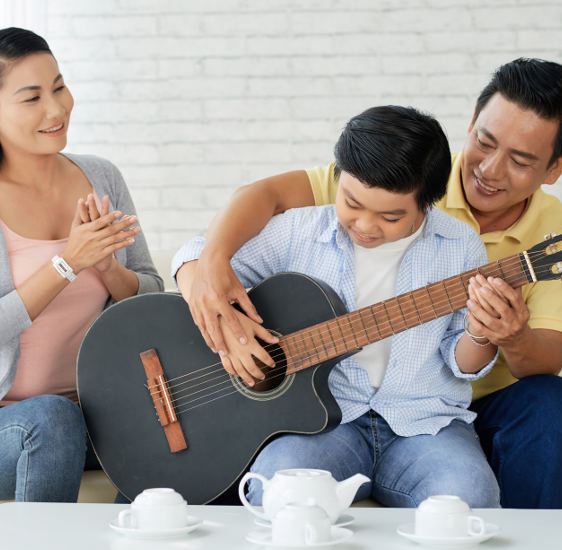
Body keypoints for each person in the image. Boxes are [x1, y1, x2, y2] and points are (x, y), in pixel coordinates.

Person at [182, 58, 562, 509]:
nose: (491, 170)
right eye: (485, 142)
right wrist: (209, 279)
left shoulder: (469, 241)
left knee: (521, 436)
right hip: (324, 414)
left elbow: (512, 356)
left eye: (520, 159)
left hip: (431, 413)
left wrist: (496, 333)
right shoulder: (377, 170)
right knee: (279, 487)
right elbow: (257, 200)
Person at [173, 105, 500, 508]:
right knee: (277, 492)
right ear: (337, 178)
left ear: (428, 204)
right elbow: (193, 255)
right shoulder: (298, 231)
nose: (365, 225)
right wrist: (228, 329)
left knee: (473, 495)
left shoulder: (462, 245)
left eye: (390, 216)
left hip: (425, 424)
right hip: (324, 425)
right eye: (352, 202)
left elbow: (460, 361)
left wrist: (482, 333)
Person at [0, 27, 163, 502]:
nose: (56, 109)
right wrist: (67, 262)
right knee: (53, 418)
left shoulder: (101, 176)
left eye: (58, 86)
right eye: (32, 97)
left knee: (190, 426)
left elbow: (153, 296)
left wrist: (108, 270)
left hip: (94, 417)